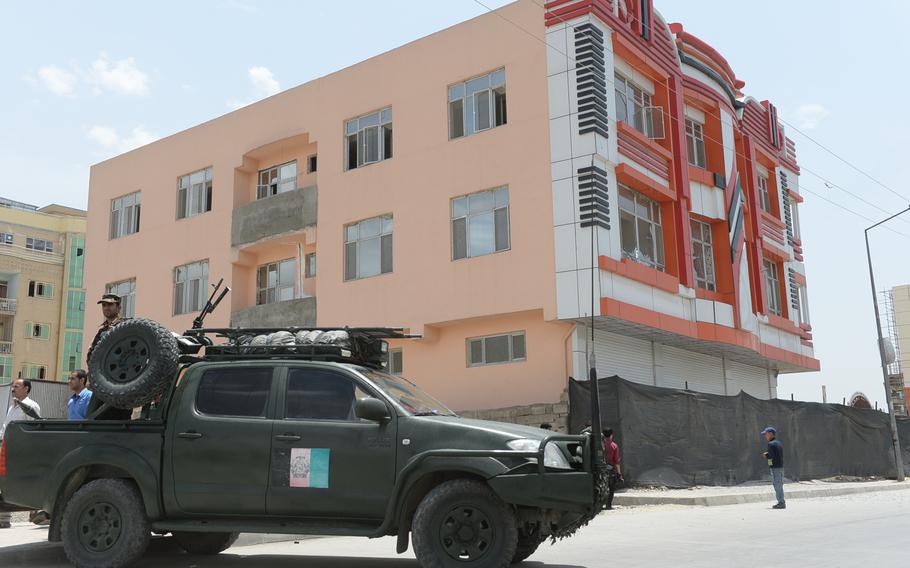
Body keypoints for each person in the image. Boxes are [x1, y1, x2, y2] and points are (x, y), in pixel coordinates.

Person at [85, 293, 132, 421]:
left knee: (119, 417)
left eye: (110, 304)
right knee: (95, 416)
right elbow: (91, 354)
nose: (106, 308)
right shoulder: (102, 331)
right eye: (104, 305)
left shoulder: (128, 325)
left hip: (121, 380)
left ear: (118, 307)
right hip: (103, 381)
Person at [1, 379, 41, 528]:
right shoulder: (13, 406)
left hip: (23, 453)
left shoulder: (31, 406)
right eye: (13, 386)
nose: (13, 389)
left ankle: (36, 512)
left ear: (26, 389)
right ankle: (4, 519)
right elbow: (6, 427)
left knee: (26, 482)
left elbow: (34, 429)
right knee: (6, 483)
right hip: (8, 450)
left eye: (16, 386)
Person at [761, 426, 786, 509]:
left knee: (777, 485)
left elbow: (771, 457)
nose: (765, 436)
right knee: (779, 484)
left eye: (766, 434)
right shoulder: (778, 443)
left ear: (771, 434)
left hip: (775, 467)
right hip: (780, 467)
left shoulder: (771, 444)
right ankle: (781, 502)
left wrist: (766, 456)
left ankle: (781, 502)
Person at [603, 428, 623, 510]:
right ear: (611, 435)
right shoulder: (614, 446)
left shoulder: (599, 445)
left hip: (599, 469)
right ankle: (608, 505)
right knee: (611, 488)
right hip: (610, 470)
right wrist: (619, 474)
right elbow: (617, 462)